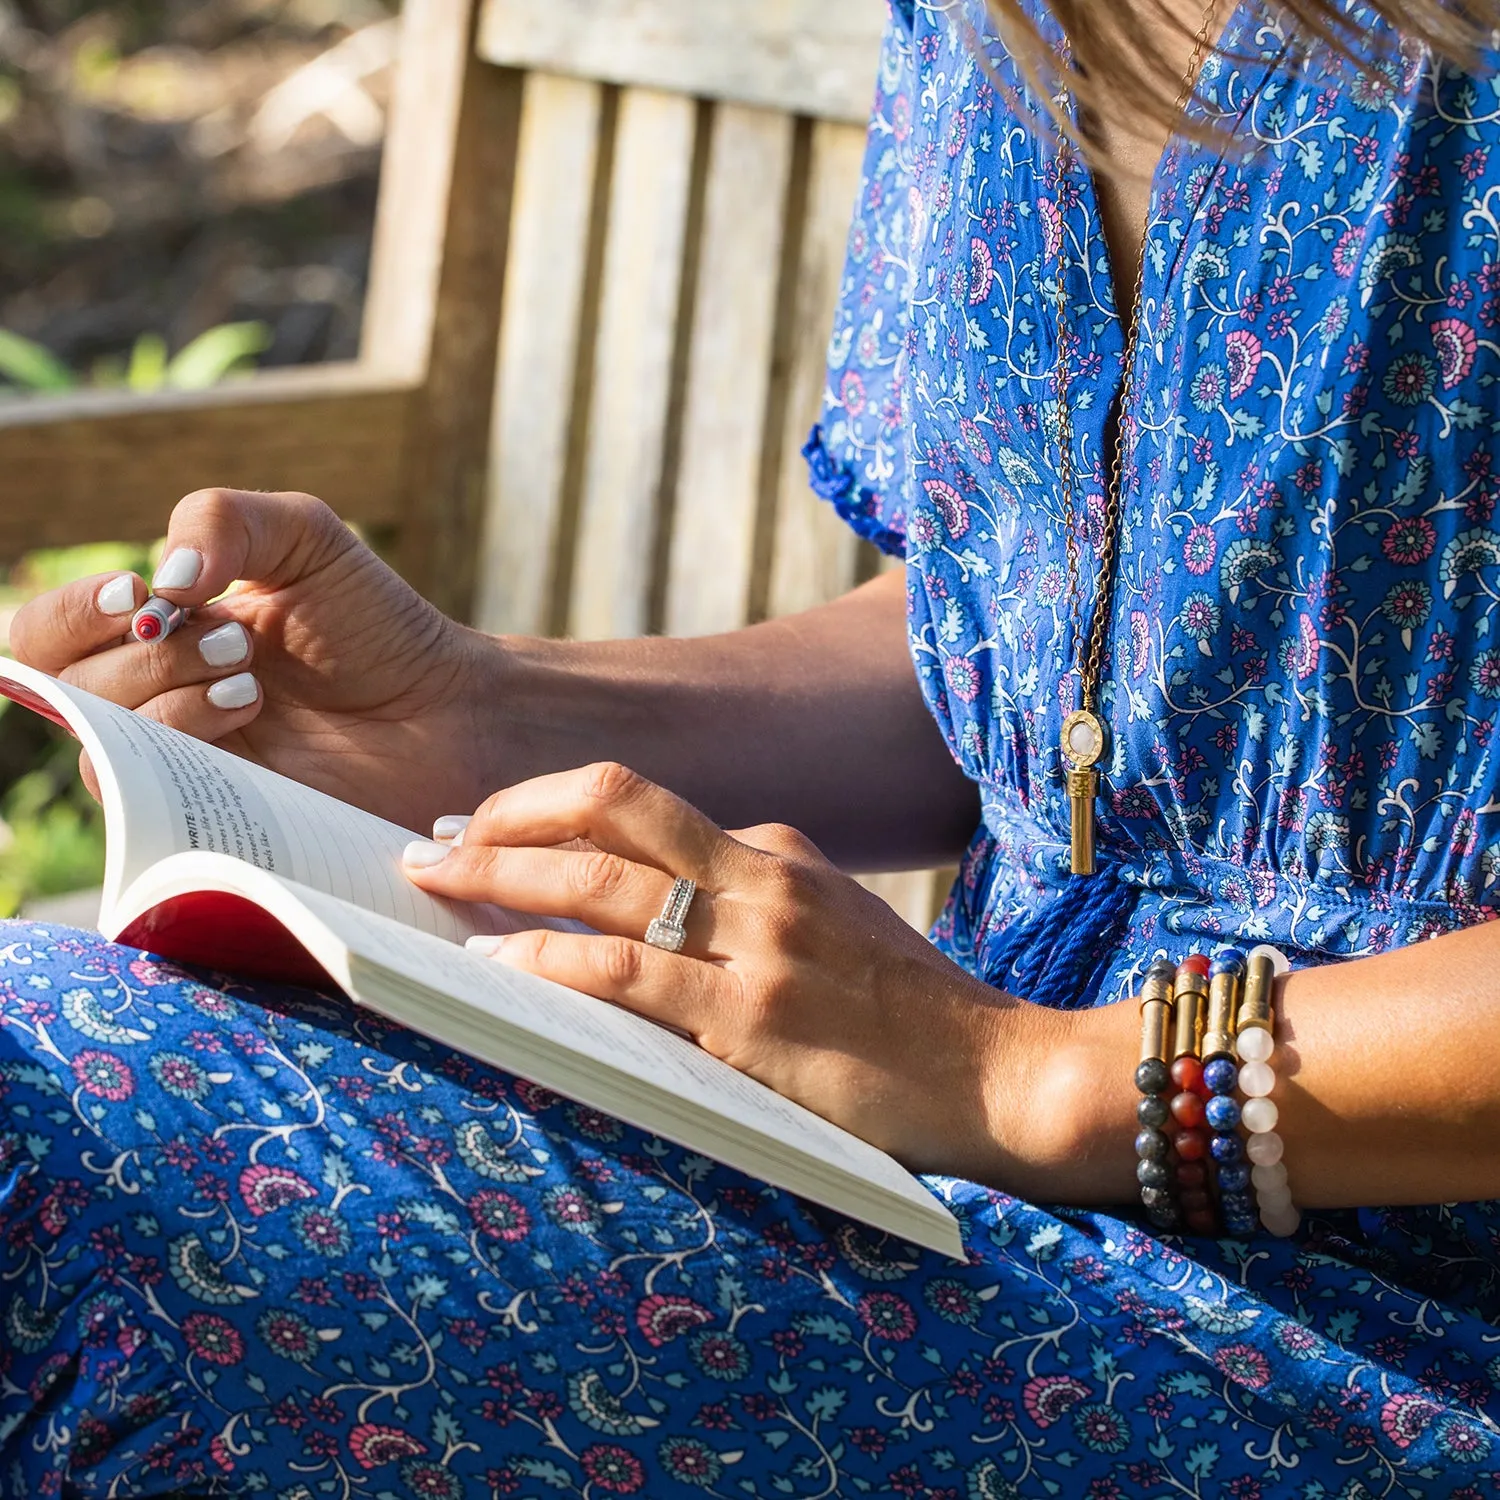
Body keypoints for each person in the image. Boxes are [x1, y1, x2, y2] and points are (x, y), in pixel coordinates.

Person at [5, 0, 1500, 1492]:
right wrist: (484, 717)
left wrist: (1042, 1079)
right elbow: (1040, 659)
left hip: (1377, 1324)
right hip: (914, 1168)